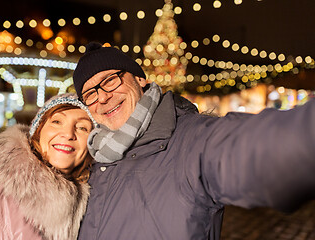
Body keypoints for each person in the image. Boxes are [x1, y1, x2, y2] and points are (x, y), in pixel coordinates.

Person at [72, 42, 315, 240]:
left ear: (140, 79)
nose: (102, 97)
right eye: (90, 93)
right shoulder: (91, 157)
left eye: (110, 80)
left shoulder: (193, 142)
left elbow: (268, 147)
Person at [0, 93, 97, 239]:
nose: (68, 134)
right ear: (38, 131)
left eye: (82, 128)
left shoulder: (97, 207)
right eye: (57, 122)